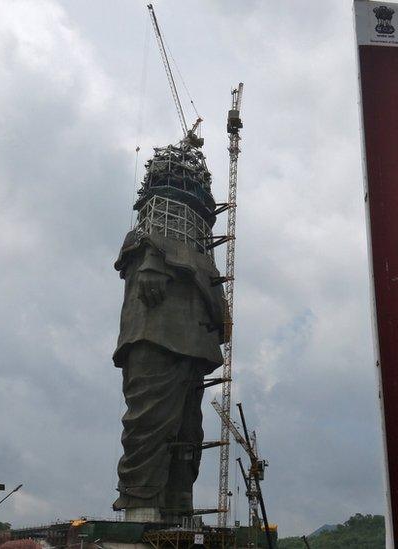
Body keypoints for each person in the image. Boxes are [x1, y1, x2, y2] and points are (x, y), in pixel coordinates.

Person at [112, 138, 226, 522]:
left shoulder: (203, 258)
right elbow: (142, 259)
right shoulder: (145, 243)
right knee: (148, 424)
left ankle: (178, 507)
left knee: (188, 434)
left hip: (191, 350)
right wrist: (153, 259)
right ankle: (141, 508)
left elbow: (219, 313)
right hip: (155, 341)